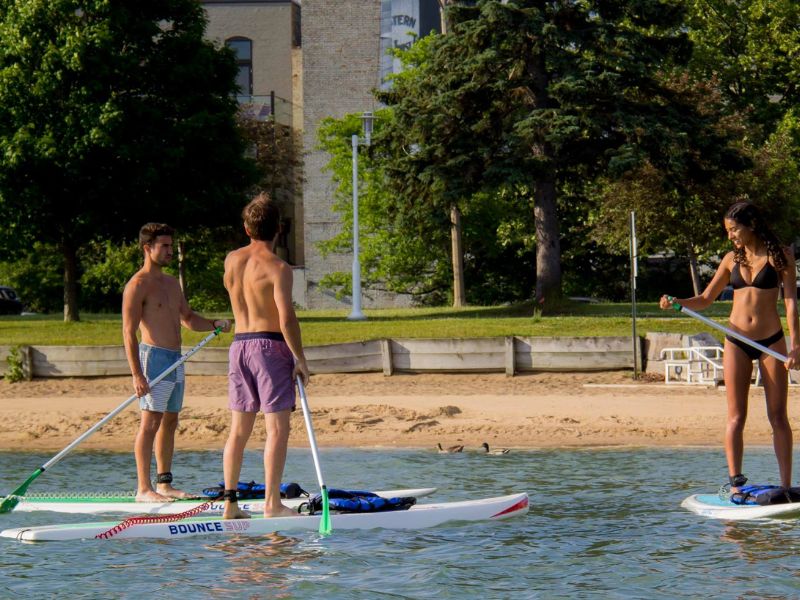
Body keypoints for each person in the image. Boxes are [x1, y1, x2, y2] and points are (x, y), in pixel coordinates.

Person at [660, 202, 800, 491]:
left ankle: (787, 486)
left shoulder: (781, 257)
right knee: (737, 415)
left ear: (751, 225)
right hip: (736, 340)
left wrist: (795, 346)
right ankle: (736, 484)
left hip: (771, 340)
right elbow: (706, 299)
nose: (731, 236)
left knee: (778, 415)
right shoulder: (730, 259)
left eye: (734, 229)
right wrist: (679, 302)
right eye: (728, 231)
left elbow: (790, 305)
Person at [123, 223, 231, 502]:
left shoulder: (172, 283)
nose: (170, 251)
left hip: (176, 358)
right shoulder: (137, 285)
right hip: (153, 359)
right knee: (150, 422)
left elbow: (188, 318)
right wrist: (137, 374)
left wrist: (213, 324)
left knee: (170, 420)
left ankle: (164, 484)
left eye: (171, 245)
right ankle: (143, 489)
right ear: (148, 248)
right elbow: (128, 332)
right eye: (165, 246)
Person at [221, 193, 310, 519]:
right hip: (269, 347)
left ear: (246, 228)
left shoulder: (231, 260)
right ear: (279, 229)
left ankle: (230, 505)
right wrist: (300, 358)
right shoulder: (278, 267)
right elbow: (286, 318)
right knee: (276, 430)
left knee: (238, 430)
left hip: (239, 346)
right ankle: (272, 504)